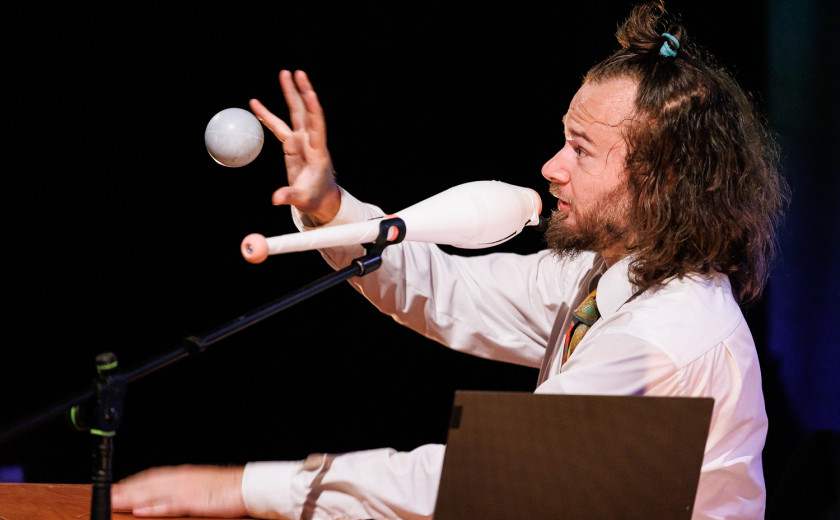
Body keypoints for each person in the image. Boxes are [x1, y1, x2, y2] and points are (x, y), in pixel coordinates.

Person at [111, 2, 789, 519]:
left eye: (581, 150)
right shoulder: (607, 277)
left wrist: (243, 489)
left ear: (662, 181)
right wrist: (330, 208)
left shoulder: (663, 342)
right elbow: (446, 290)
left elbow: (489, 478)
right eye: (563, 139)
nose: (551, 167)